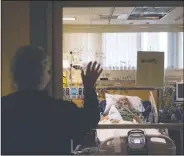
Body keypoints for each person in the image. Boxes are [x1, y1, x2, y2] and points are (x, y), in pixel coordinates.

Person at [1, 45, 103, 155]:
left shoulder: (3, 107)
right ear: (43, 73)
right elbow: (90, 118)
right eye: (47, 69)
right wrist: (89, 87)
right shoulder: (60, 110)